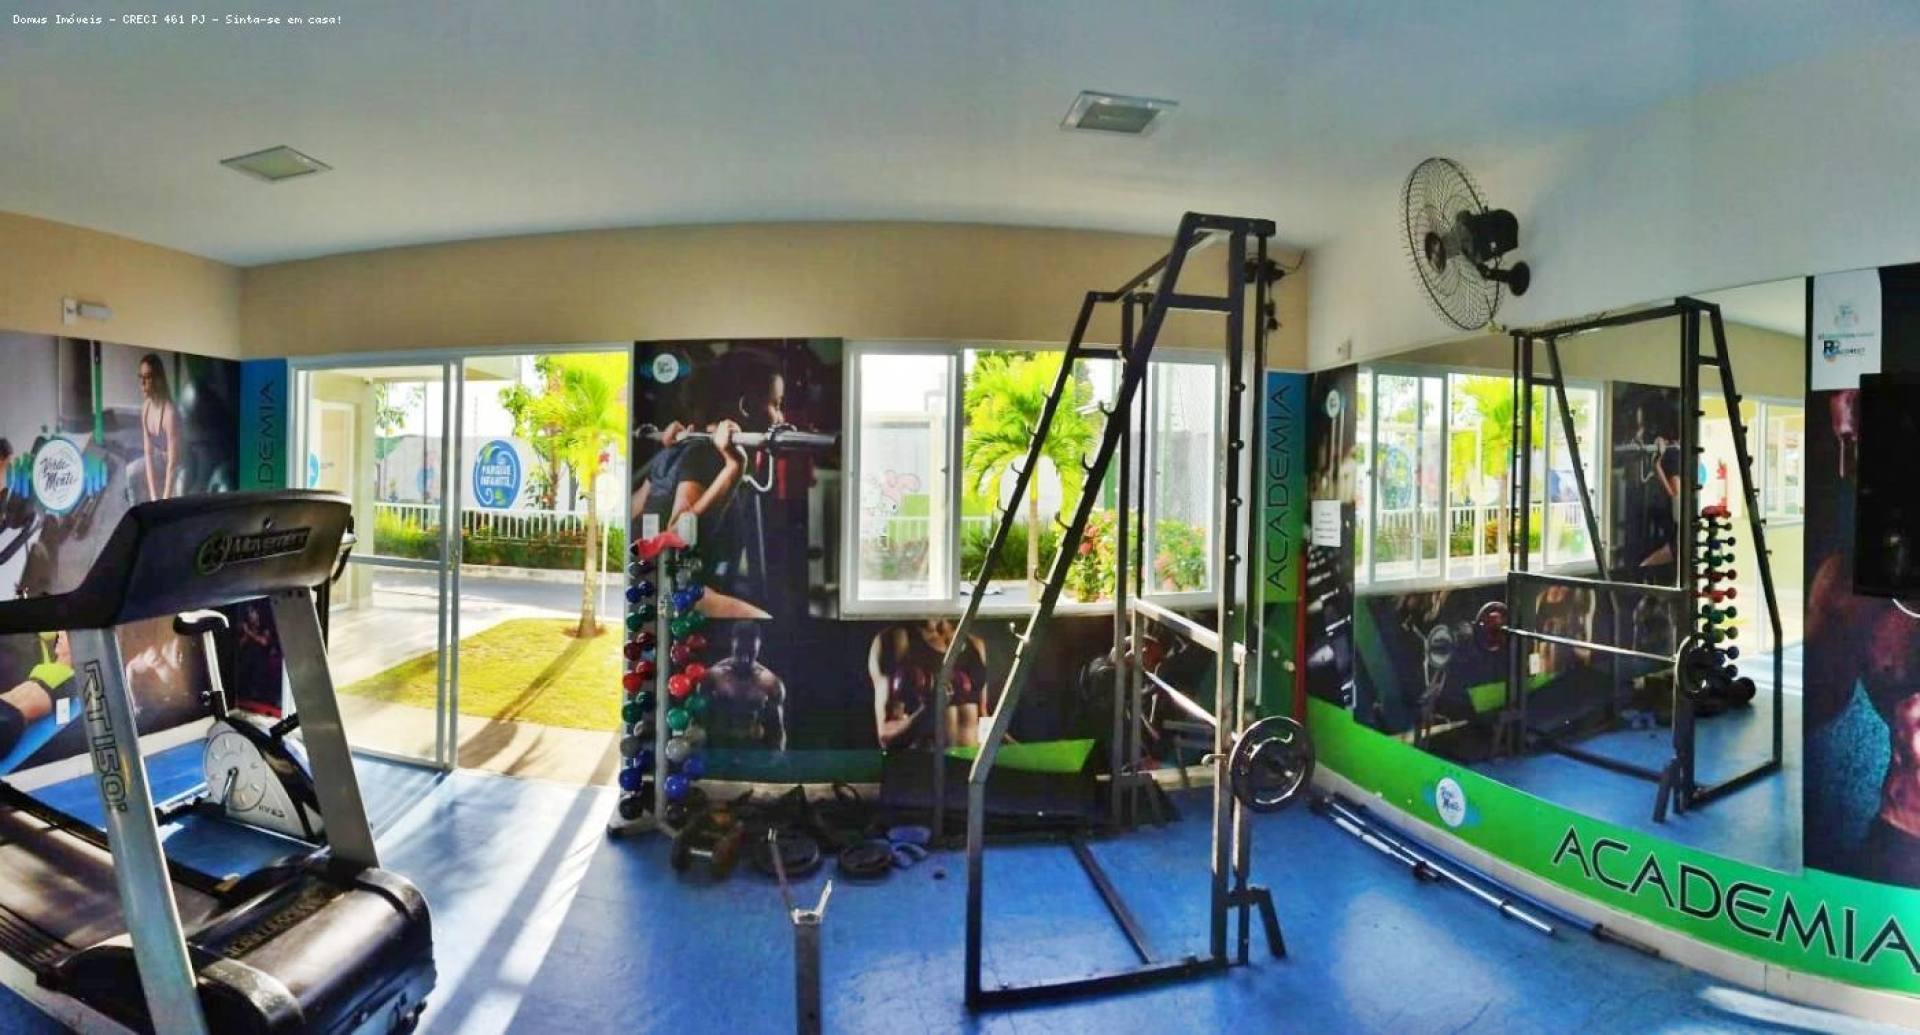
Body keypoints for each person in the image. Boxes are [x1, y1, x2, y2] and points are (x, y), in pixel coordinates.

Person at [631, 351, 790, 621]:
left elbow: (637, 512)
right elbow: (678, 539)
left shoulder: (691, 445)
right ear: (747, 406)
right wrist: (734, 466)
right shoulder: (709, 454)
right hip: (663, 588)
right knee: (765, 624)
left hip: (656, 580)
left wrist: (665, 458)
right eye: (775, 404)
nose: (781, 417)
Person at [869, 619, 991, 750]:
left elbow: (983, 715)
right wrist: (929, 710)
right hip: (924, 760)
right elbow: (886, 737)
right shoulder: (898, 639)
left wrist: (1001, 743)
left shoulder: (975, 643)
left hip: (974, 760)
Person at [699, 621, 787, 750]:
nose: (745, 658)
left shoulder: (771, 683)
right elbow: (697, 722)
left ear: (758, 648)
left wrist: (777, 758)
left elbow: (778, 730)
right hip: (720, 750)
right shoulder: (713, 677)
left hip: (753, 752)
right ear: (733, 645)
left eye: (751, 652)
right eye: (740, 651)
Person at [0, 632, 73, 767]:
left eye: (69, 632)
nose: (61, 634)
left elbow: (23, 704)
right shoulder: (49, 669)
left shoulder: (65, 678)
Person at [128, 354, 181, 503]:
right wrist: (153, 496)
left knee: (179, 492)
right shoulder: (145, 408)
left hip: (178, 464)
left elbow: (173, 465)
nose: (142, 383)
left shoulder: (169, 413)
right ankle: (136, 512)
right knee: (131, 471)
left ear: (158, 379)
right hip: (160, 459)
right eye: (141, 377)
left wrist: (163, 501)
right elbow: (148, 455)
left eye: (147, 377)